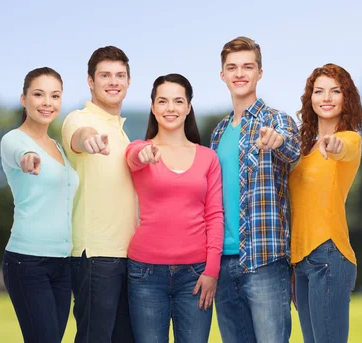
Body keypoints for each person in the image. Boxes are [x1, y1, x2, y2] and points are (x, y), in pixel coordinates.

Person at [210, 36, 301, 343]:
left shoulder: (277, 121)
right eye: (232, 67)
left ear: (259, 72)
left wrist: (277, 141)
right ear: (222, 74)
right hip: (223, 261)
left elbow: (292, 150)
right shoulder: (219, 131)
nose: (240, 73)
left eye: (248, 66)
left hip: (265, 259)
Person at [125, 73, 224, 343]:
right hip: (145, 273)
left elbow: (215, 215)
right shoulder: (140, 149)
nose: (171, 108)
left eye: (178, 101)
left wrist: (212, 270)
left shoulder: (208, 158)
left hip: (196, 275)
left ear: (189, 107)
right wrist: (142, 154)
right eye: (163, 101)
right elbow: (133, 157)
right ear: (153, 107)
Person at [61, 46, 136, 343]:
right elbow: (80, 137)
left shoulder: (122, 133)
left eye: (120, 75)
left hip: (128, 256)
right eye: (105, 75)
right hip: (95, 255)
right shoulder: (78, 119)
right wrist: (89, 140)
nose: (113, 81)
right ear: (91, 81)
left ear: (129, 82)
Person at [0, 67, 79, 343]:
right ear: (24, 99)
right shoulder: (13, 139)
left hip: (62, 264)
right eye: (39, 94)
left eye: (55, 95)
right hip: (27, 261)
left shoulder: (58, 147)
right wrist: (28, 157)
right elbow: (22, 153)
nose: (47, 102)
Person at [289, 63, 362, 343]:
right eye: (319, 91)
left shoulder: (349, 139)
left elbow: (342, 150)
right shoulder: (303, 148)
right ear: (310, 99)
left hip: (329, 255)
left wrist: (333, 145)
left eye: (335, 91)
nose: (327, 97)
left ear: (347, 98)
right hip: (300, 262)